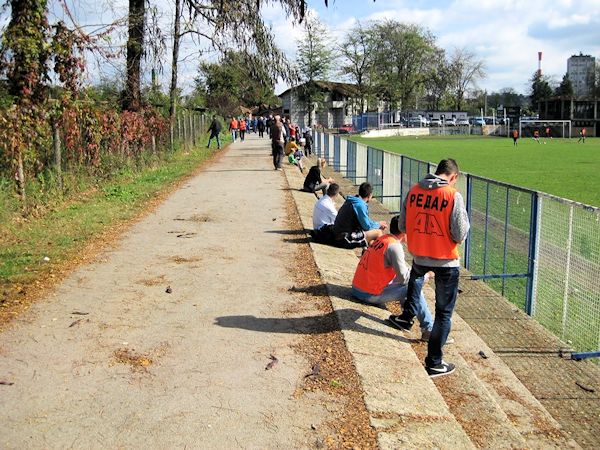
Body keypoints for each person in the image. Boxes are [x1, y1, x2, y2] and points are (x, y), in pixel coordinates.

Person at [387, 159, 470, 378]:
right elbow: (460, 233)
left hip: (420, 256)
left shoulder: (414, 191)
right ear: (453, 177)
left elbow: (403, 225)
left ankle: (407, 316)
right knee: (443, 313)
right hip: (445, 260)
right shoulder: (452, 195)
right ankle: (434, 362)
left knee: (415, 278)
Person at [352, 216, 434, 340]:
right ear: (404, 231)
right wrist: (427, 275)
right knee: (413, 285)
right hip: (367, 293)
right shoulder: (394, 246)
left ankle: (406, 318)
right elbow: (405, 279)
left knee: (410, 282)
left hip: (358, 287)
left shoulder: (384, 239)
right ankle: (429, 330)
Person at [333, 182, 388, 249]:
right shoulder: (360, 205)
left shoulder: (353, 200)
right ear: (370, 195)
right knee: (378, 232)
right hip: (344, 239)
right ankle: (378, 256)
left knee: (371, 239)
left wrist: (377, 224)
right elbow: (367, 226)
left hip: (339, 234)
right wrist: (379, 224)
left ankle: (368, 254)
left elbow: (366, 222)